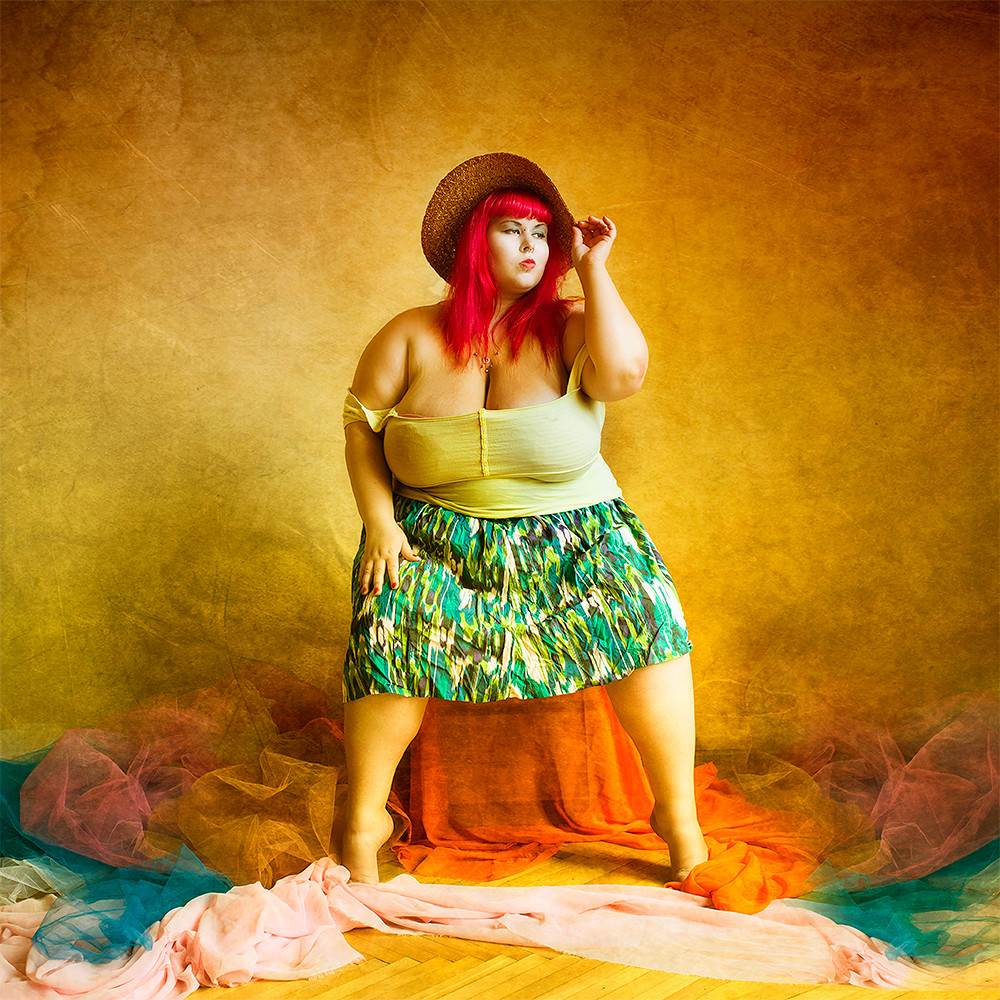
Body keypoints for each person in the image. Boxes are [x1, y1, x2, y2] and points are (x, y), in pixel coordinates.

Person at [339, 153, 709, 885]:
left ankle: (678, 816)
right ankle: (363, 821)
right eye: (512, 230)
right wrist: (381, 523)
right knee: (388, 625)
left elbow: (625, 377)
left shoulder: (572, 326)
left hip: (577, 535)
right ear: (473, 243)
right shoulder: (409, 334)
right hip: (433, 535)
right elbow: (361, 426)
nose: (531, 246)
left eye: (542, 234)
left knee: (649, 618)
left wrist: (594, 269)